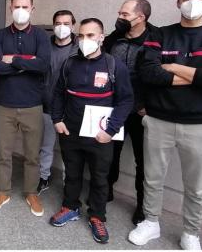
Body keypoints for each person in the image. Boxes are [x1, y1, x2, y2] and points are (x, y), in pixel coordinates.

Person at [128, 0, 202, 250]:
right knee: (152, 178)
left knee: (196, 187)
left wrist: (174, 66)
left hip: (199, 125)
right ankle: (151, 222)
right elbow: (148, 73)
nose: (192, 1)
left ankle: (191, 232)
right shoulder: (160, 35)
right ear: (177, 2)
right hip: (158, 120)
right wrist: (201, 75)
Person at [49, 18, 133, 244]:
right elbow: (58, 93)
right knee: (73, 173)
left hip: (101, 135)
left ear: (102, 38)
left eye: (91, 35)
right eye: (82, 36)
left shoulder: (115, 66)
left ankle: (97, 216)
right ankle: (70, 206)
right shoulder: (69, 64)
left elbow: (126, 101)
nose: (85, 40)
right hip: (71, 131)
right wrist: (57, 119)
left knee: (99, 177)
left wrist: (111, 129)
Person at [0, 0, 51, 216]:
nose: (21, 11)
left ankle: (31, 192)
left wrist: (12, 60)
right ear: (11, 8)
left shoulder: (41, 36)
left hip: (33, 105)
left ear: (32, 9)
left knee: (32, 154)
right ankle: (3, 191)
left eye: (25, 7)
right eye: (17, 7)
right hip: (5, 105)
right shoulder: (0, 36)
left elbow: (43, 65)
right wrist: (27, 63)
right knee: (3, 153)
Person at [102, 0, 159, 225]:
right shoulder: (113, 39)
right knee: (110, 153)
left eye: (124, 14)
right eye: (119, 13)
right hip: (115, 108)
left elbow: (159, 75)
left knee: (143, 162)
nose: (120, 18)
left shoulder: (156, 39)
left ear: (141, 17)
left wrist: (150, 104)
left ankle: (143, 206)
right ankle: (106, 190)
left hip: (141, 110)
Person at [38, 10, 78, 195]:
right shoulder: (44, 46)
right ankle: (43, 177)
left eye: (66, 23)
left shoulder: (80, 49)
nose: (62, 27)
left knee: (69, 151)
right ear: (53, 26)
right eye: (58, 23)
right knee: (46, 146)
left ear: (73, 25)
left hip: (70, 108)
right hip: (47, 104)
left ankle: (68, 183)